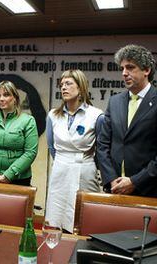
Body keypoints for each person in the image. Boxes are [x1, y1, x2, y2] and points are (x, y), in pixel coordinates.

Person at [97, 44, 157, 199]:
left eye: (130, 67)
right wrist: (111, 179)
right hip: (115, 190)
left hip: (150, 192)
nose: (124, 73)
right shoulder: (114, 102)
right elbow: (102, 145)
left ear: (146, 70)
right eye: (122, 68)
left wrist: (134, 182)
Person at [45, 69, 103, 233]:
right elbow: (51, 147)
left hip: (85, 167)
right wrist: (65, 161)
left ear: (81, 87)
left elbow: (101, 150)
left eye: (68, 83)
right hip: (60, 168)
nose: (63, 87)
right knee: (58, 218)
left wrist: (86, 163)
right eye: (62, 84)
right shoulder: (52, 115)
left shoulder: (96, 115)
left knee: (85, 218)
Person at [0, 81, 38, 186]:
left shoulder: (28, 120)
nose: (1, 99)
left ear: (15, 98)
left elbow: (30, 152)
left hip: (18, 179)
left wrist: (9, 175)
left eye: (6, 95)